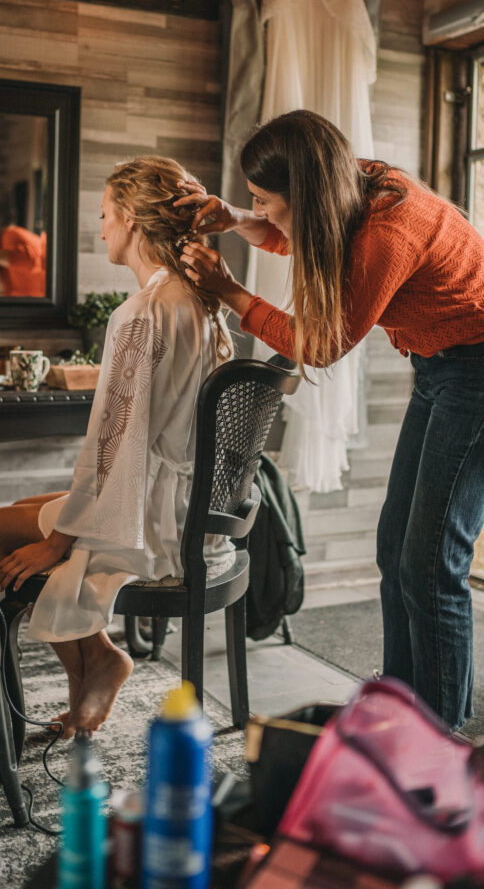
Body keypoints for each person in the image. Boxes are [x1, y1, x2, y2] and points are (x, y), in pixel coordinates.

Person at [177, 108, 484, 732]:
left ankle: (443, 743)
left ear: (305, 191)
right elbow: (301, 232)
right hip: (441, 366)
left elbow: (319, 344)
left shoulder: (388, 231)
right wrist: (237, 219)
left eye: (265, 199)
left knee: (431, 562)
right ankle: (402, 711)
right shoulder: (353, 185)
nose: (259, 209)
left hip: (476, 370)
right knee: (396, 545)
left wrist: (232, 292)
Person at [0, 156, 233, 736]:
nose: (100, 230)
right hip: (197, 515)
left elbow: (109, 445)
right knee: (18, 519)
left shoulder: (144, 312)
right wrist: (63, 530)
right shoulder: (204, 305)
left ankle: (96, 661)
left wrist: (59, 542)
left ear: (132, 220)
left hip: (158, 526)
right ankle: (95, 662)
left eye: (103, 215)